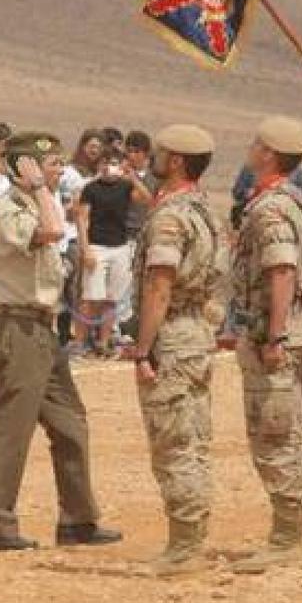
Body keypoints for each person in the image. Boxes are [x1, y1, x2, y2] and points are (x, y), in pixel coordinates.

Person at [0, 131, 121, 551]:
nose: (59, 169)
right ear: (26, 168)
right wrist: (37, 188)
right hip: (15, 328)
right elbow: (53, 233)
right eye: (50, 163)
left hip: (41, 328)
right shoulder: (9, 207)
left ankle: (78, 519)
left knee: (70, 423)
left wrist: (43, 192)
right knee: (11, 427)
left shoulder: (40, 201)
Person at [129, 124, 230, 576]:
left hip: (171, 335)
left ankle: (184, 547)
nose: (153, 157)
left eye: (160, 152)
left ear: (176, 162)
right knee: (194, 439)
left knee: (173, 443)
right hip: (197, 333)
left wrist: (143, 347)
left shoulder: (171, 216)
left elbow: (159, 284)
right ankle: (192, 538)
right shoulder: (205, 210)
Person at [227, 117, 302, 575]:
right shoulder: (289, 201)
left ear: (268, 154)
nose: (250, 148)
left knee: (275, 435)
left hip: (272, 336)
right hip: (280, 331)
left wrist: (276, 334)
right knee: (282, 432)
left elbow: (282, 271)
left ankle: (287, 536)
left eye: (256, 143)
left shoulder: (272, 209)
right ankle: (289, 530)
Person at [75, 147, 152, 357]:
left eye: (115, 162)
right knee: (90, 297)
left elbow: (146, 199)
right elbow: (82, 218)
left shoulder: (125, 187)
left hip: (120, 246)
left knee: (112, 298)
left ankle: (103, 341)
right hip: (96, 246)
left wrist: (133, 178)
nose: (110, 167)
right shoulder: (90, 188)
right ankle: (79, 342)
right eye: (106, 162)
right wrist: (85, 248)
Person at [57, 128, 104, 348]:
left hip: (97, 234)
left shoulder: (103, 175)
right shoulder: (69, 173)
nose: (94, 151)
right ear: (83, 146)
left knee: (91, 289)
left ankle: (90, 332)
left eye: (98, 147)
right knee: (71, 288)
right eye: (91, 146)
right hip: (73, 234)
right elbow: (67, 205)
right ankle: (66, 332)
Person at [120, 130, 159, 341]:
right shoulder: (120, 176)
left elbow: (150, 200)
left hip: (146, 235)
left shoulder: (154, 178)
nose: (131, 156)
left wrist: (133, 180)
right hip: (124, 235)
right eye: (129, 151)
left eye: (136, 151)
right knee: (124, 284)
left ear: (146, 154)